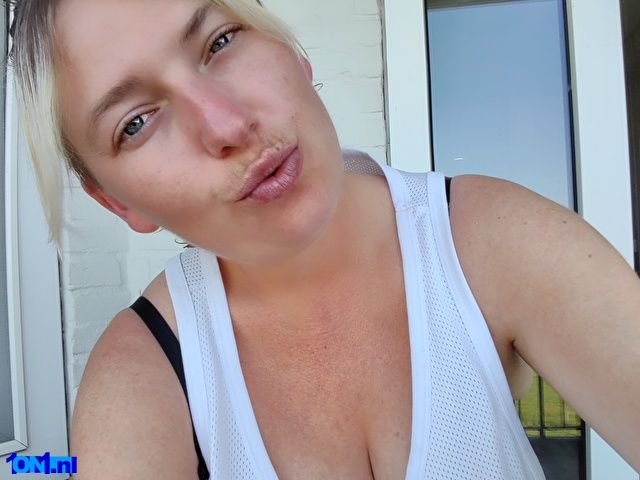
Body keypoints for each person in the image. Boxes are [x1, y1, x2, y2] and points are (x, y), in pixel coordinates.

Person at [8, 0, 640, 478]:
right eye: (137, 122)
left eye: (220, 41)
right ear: (119, 204)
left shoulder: (491, 238)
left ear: (293, 52)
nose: (227, 125)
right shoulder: (139, 376)